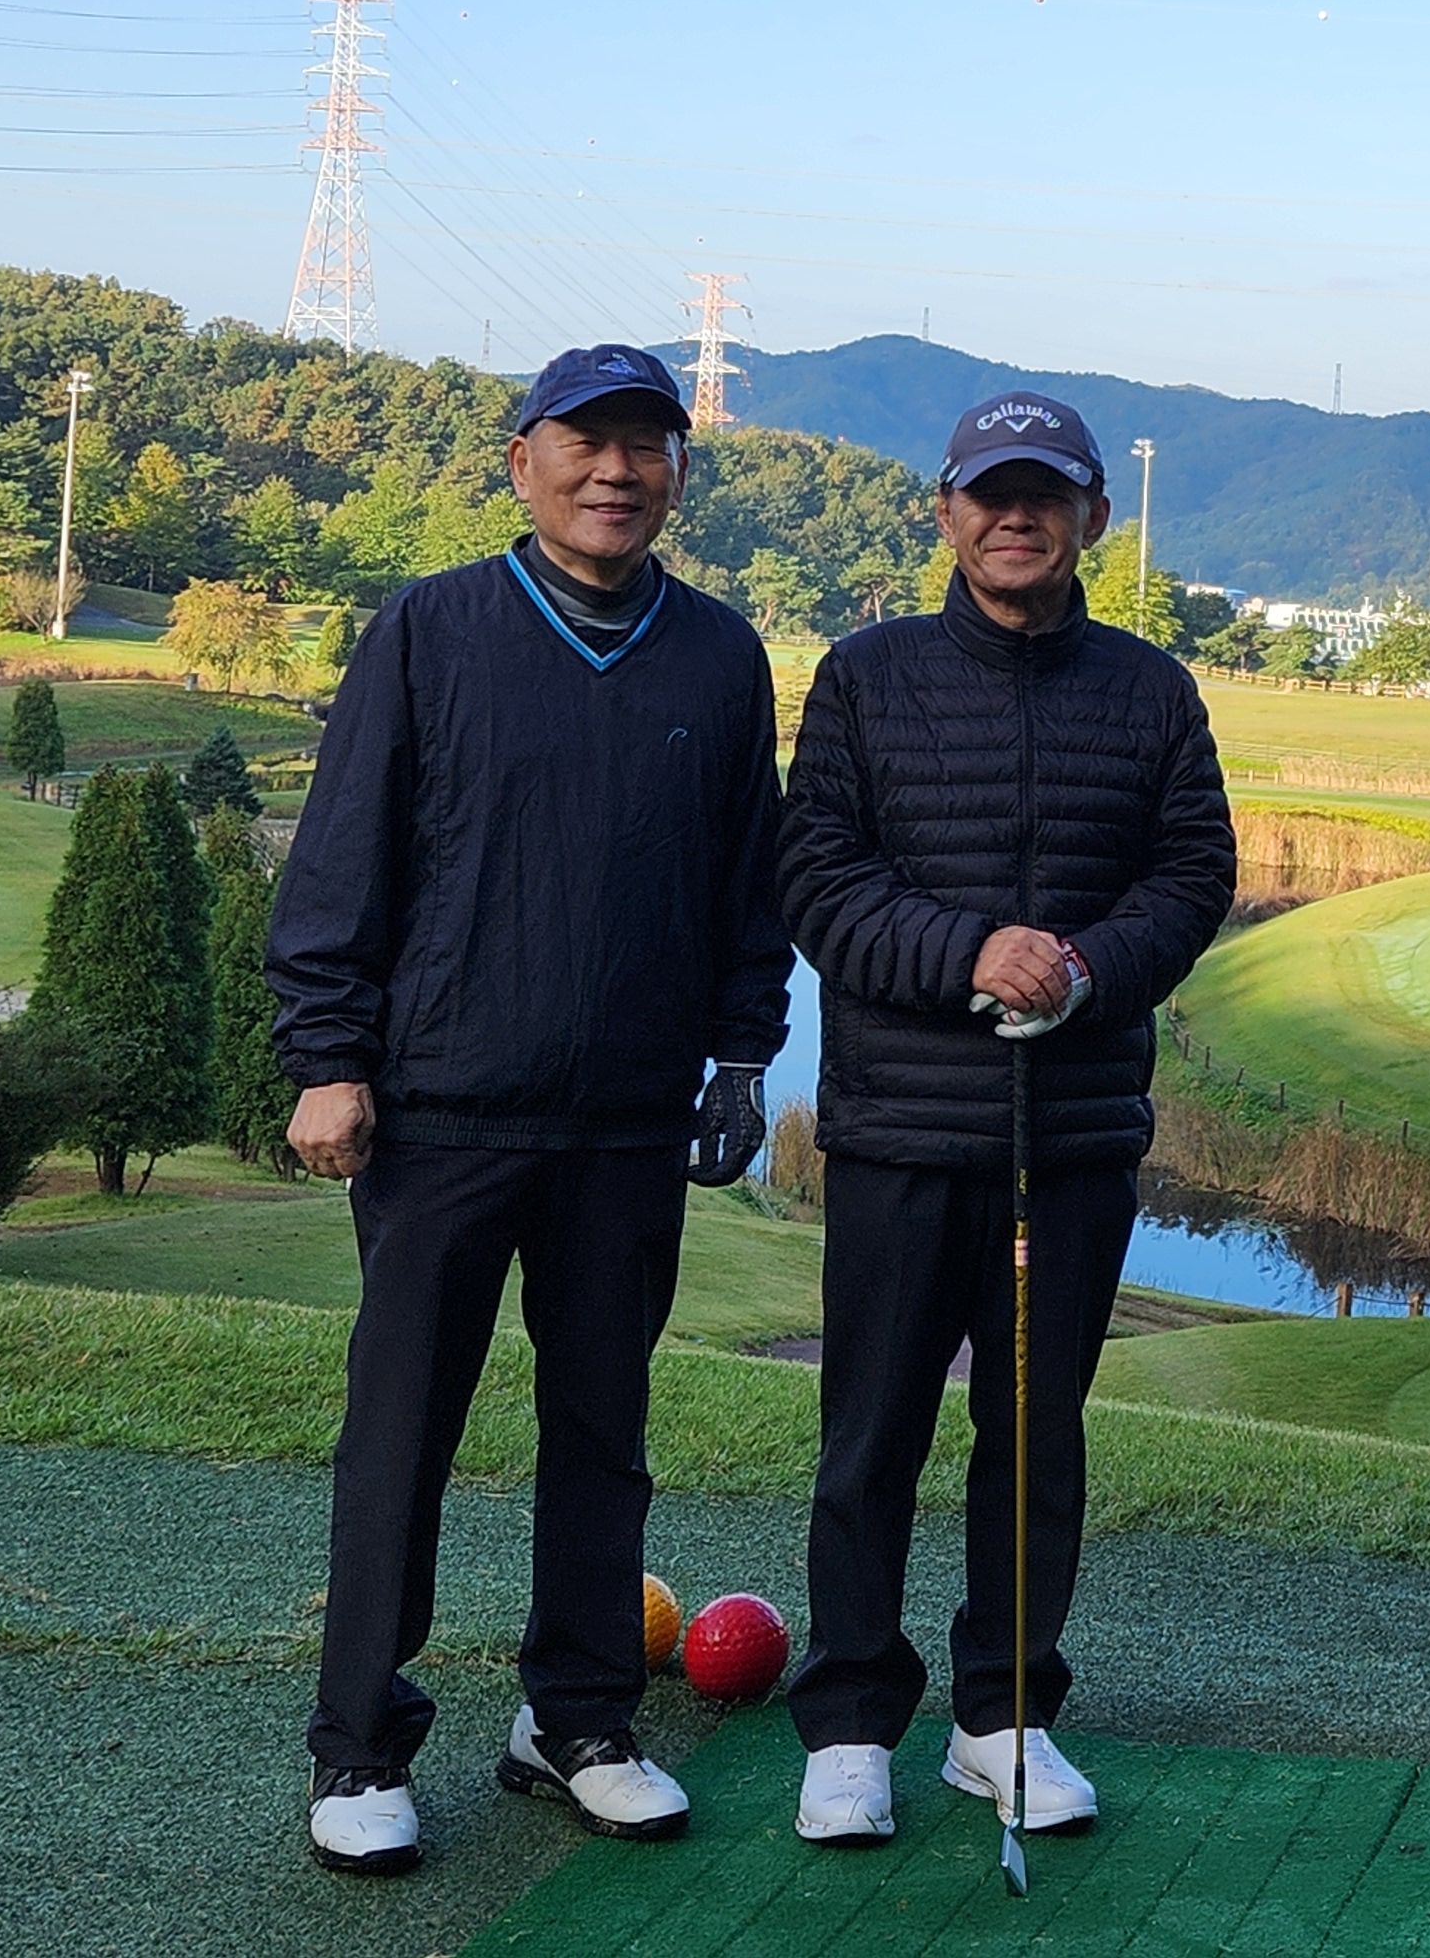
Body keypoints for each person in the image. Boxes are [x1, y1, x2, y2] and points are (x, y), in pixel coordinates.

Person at [271, 343, 790, 1879]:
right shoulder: (431, 626)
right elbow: (343, 857)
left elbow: (746, 884)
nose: (616, 471)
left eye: (647, 445)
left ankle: (578, 1722)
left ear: (679, 472)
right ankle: (360, 1747)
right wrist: (327, 1056)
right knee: (402, 1435)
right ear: (523, 461)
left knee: (603, 1435)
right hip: (441, 1111)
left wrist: (742, 1057)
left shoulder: (721, 654)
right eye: (586, 442)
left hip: (627, 1121)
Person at [780, 389, 1238, 1849]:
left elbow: (1191, 878)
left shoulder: (1151, 691)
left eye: (1045, 492)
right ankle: (852, 1722)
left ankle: (1005, 1718)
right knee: (872, 1434)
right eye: (990, 491)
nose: (1015, 515)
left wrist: (1085, 970)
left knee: (1035, 1438)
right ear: (947, 512)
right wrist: (975, 951)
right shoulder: (866, 677)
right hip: (903, 1133)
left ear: (1092, 514)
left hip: (1075, 1135)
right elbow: (820, 881)